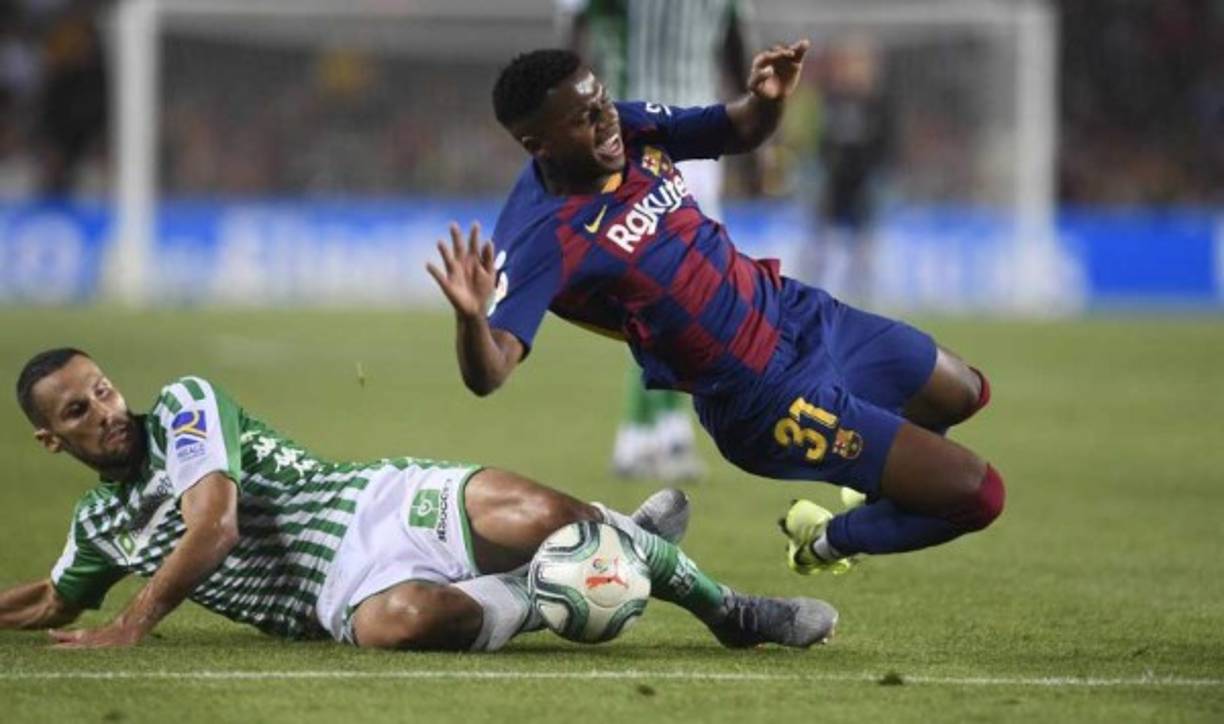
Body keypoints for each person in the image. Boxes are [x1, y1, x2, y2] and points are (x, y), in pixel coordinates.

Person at [426, 40, 1004, 578]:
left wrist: (767, 99)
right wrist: (471, 317)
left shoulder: (630, 127)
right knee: (980, 495)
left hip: (797, 312)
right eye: (584, 118)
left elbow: (739, 128)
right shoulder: (540, 237)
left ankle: (877, 483)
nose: (606, 121)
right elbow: (489, 372)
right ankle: (825, 539)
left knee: (965, 392)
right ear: (538, 145)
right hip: (764, 395)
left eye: (601, 101)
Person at [0, 347, 836, 650]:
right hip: (336, 597)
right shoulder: (98, 527)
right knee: (397, 626)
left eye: (103, 390)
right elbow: (50, 599)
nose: (105, 411)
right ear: (51, 440)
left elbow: (212, 527)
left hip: (375, 503)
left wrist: (133, 621)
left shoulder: (184, 409)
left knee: (549, 518)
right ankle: (596, 562)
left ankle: (731, 611)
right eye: (77, 412)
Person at [558, 0, 753, 482]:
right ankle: (648, 435)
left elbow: (572, 39)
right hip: (688, 137)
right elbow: (739, 54)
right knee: (670, 292)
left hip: (646, 133)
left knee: (672, 292)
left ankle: (657, 432)